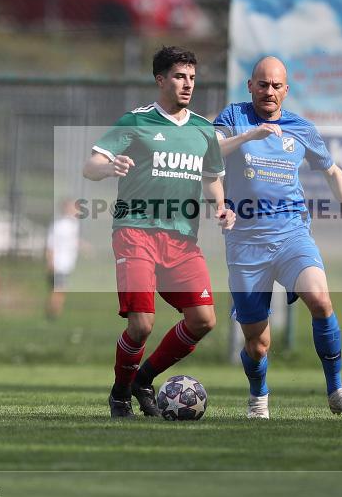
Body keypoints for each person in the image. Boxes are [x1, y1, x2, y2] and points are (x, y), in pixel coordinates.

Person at [214, 56, 342, 419]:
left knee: (320, 299)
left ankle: (336, 390)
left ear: (286, 90)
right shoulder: (232, 118)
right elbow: (210, 152)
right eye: (262, 84)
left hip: (291, 235)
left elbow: (334, 173)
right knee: (258, 344)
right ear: (250, 86)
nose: (268, 92)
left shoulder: (301, 128)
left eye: (276, 86)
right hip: (245, 243)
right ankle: (259, 397)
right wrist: (249, 136)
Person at [82, 46, 235, 418]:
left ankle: (144, 379)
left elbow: (212, 178)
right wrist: (109, 167)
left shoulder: (202, 130)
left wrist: (221, 205)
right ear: (161, 79)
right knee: (141, 325)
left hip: (182, 240)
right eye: (180, 77)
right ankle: (120, 394)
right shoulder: (136, 121)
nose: (187, 85)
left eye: (192, 78)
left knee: (203, 320)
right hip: (135, 232)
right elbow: (91, 166)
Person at [45, 198, 84, 319]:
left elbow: (73, 241)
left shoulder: (74, 224)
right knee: (59, 290)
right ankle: (52, 315)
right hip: (59, 264)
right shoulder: (58, 226)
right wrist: (51, 262)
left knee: (60, 290)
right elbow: (50, 246)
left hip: (67, 264)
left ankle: (54, 313)